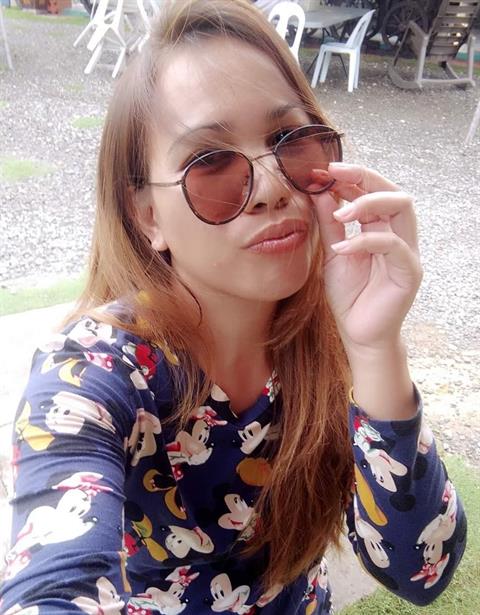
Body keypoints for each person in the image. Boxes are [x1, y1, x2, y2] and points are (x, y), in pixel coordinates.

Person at [0, 1, 467, 613]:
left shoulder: (330, 339)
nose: (272, 188)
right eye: (211, 165)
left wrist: (376, 347)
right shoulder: (95, 373)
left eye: (290, 142)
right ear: (148, 217)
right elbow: (50, 587)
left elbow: (419, 572)